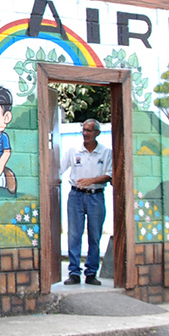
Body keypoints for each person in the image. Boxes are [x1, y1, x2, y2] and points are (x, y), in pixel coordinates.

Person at [59, 118, 112, 286]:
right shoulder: (74, 151)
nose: (86, 134)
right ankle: (74, 272)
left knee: (94, 235)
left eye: (89, 130)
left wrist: (92, 180)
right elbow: (59, 169)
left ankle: (91, 273)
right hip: (76, 196)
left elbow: (110, 174)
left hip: (96, 195)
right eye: (84, 130)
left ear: (97, 133)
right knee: (74, 235)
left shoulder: (106, 153)